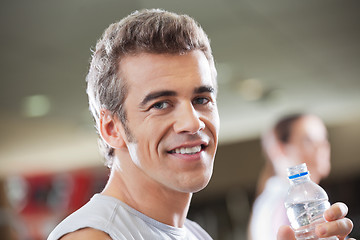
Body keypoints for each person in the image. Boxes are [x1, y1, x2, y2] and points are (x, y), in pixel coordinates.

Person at [48, 9, 353, 240]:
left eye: (201, 99)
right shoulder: (93, 236)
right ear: (112, 129)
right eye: (161, 104)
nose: (193, 122)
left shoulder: (193, 234)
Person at [248, 113, 341, 240]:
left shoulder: (269, 198)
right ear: (280, 149)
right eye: (309, 140)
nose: (322, 146)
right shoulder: (293, 202)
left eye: (324, 138)